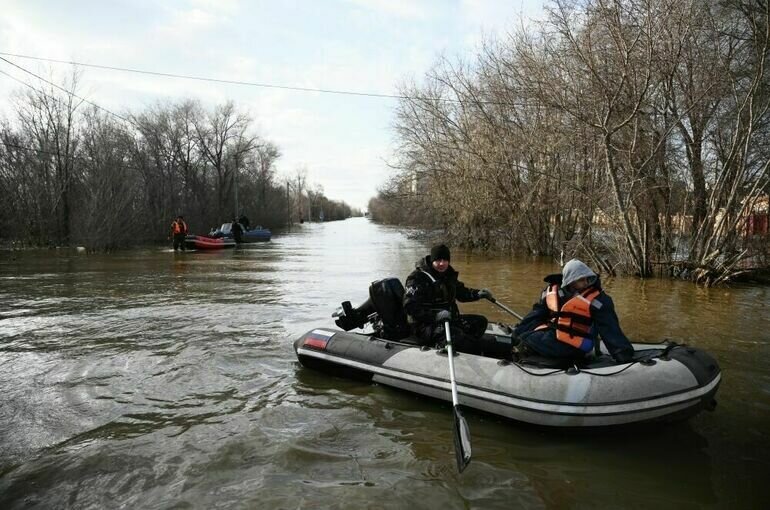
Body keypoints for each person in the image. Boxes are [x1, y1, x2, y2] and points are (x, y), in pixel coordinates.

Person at [513, 259, 634, 363]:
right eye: (581, 280)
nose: (586, 283)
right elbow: (535, 315)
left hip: (575, 345)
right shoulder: (552, 293)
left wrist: (623, 355)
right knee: (523, 335)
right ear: (570, 281)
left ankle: (525, 354)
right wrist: (517, 332)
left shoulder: (598, 301)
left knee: (527, 340)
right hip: (556, 335)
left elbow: (610, 329)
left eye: (587, 279)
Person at [403, 244, 506, 357]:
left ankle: (468, 347)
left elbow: (461, 293)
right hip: (425, 326)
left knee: (480, 322)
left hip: (450, 319)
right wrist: (435, 315)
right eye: (438, 260)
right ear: (432, 260)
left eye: (445, 260)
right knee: (458, 337)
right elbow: (410, 307)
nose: (442, 263)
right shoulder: (417, 278)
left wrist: (478, 294)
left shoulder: (448, 275)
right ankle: (449, 345)